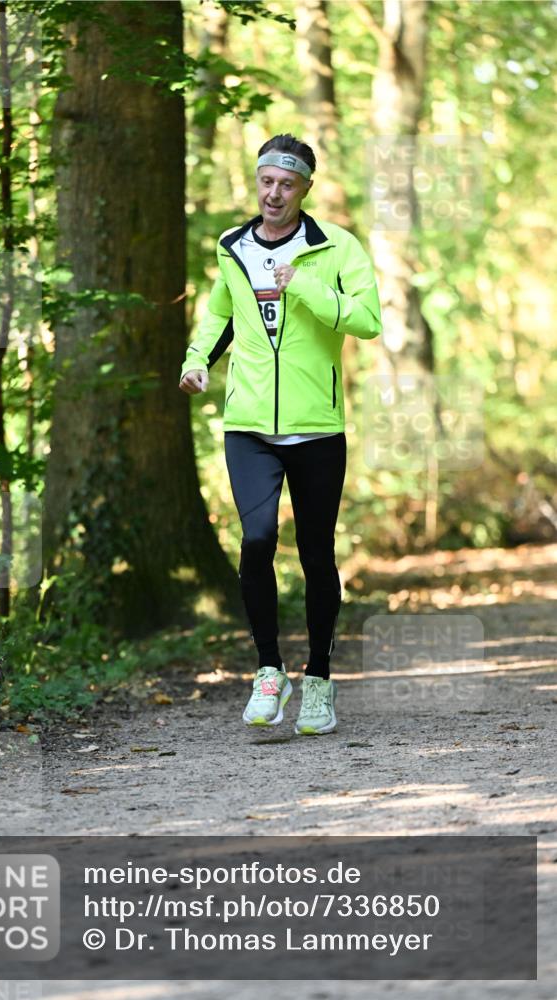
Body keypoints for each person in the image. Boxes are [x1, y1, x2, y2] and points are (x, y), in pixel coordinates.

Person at [178, 134, 382, 736]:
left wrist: (308, 286)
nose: (274, 193)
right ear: (257, 181)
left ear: (305, 189)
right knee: (256, 539)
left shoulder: (336, 247)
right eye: (267, 181)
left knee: (317, 553)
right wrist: (197, 359)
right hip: (248, 426)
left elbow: (368, 320)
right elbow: (220, 313)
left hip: (317, 426)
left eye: (287, 184)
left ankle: (318, 679)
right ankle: (270, 670)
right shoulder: (231, 246)